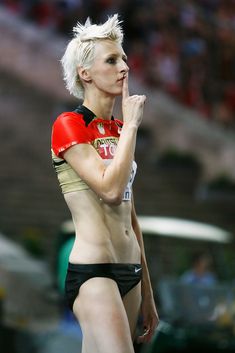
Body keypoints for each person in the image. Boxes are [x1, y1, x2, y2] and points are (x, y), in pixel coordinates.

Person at [51, 14, 159, 353]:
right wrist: (131, 127)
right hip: (94, 272)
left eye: (124, 58)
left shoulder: (117, 129)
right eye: (112, 60)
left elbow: (130, 212)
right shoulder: (69, 123)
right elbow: (110, 191)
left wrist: (149, 293)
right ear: (85, 73)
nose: (124, 67)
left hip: (130, 272)